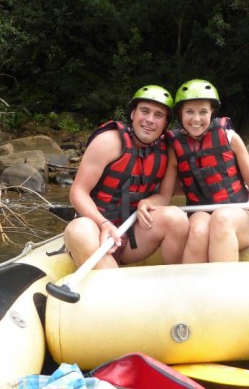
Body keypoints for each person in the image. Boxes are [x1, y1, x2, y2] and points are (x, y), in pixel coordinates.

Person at [137, 79, 249, 263]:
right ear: (180, 114)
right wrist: (146, 202)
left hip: (241, 215)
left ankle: (222, 280)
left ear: (212, 113)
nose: (196, 119)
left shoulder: (230, 137)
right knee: (198, 229)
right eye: (189, 112)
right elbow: (165, 195)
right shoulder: (175, 149)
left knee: (221, 218)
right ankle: (191, 280)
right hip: (201, 212)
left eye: (203, 112)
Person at [63, 85, 189, 269]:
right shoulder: (108, 141)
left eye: (158, 115)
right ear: (132, 114)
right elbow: (78, 192)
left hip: (132, 235)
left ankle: (175, 281)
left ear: (165, 124)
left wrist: (146, 202)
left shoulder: (166, 151)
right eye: (144, 111)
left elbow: (165, 196)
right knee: (78, 230)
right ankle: (112, 280)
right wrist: (103, 223)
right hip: (96, 231)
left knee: (176, 217)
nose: (150, 120)